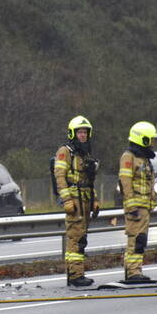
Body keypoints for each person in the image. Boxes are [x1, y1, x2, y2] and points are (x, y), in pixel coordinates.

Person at [54, 116, 100, 287]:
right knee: (76, 238)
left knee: (82, 238)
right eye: (79, 132)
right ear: (73, 134)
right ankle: (75, 275)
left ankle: (75, 273)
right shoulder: (65, 151)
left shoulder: (84, 153)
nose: (83, 135)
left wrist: (95, 199)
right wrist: (67, 199)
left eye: (85, 132)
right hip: (74, 202)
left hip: (85, 200)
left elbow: (88, 180)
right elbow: (60, 177)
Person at [118, 121, 157, 284]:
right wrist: (131, 205)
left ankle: (135, 271)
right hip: (136, 206)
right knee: (136, 239)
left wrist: (152, 199)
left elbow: (149, 181)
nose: (152, 143)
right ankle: (133, 272)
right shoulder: (129, 157)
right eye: (150, 139)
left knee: (140, 239)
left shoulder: (143, 158)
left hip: (144, 206)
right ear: (142, 139)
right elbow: (125, 182)